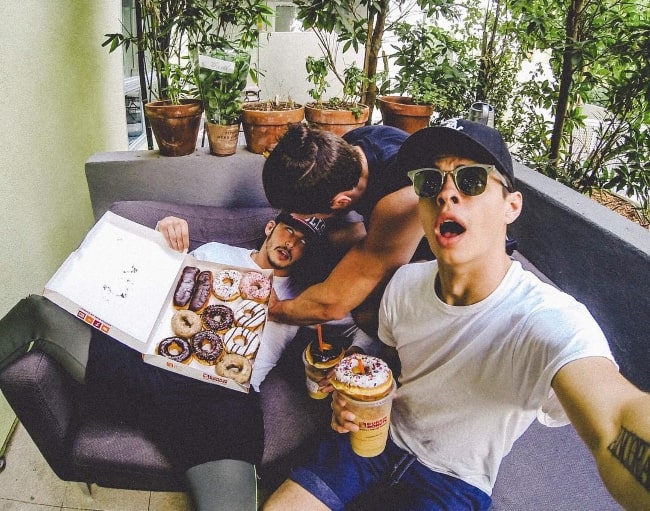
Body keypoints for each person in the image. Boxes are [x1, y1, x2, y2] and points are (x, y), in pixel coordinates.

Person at [262, 119, 650, 511]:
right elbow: (400, 371)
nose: (447, 193)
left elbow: (615, 420)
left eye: (471, 180)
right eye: (431, 182)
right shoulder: (404, 285)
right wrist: (362, 399)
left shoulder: (550, 320)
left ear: (511, 206)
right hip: (375, 440)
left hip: (452, 482)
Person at [0, 211, 377, 511]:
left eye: (302, 242)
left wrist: (342, 353)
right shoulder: (215, 252)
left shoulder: (307, 295)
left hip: (222, 403)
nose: (291, 244)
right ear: (270, 227)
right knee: (40, 309)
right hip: (151, 368)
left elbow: (360, 320)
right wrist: (161, 231)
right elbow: (148, 277)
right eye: (288, 231)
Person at [262, 123, 425, 334]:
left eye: (310, 216)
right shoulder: (350, 149)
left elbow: (330, 307)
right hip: (392, 227)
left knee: (366, 316)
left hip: (441, 256)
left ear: (340, 202)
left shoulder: (401, 199)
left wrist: (276, 309)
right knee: (326, 242)